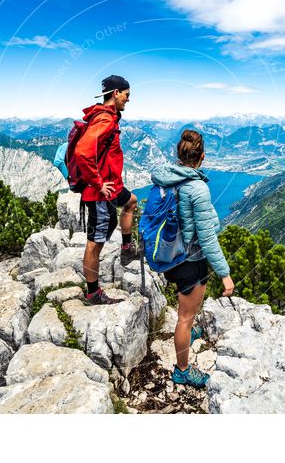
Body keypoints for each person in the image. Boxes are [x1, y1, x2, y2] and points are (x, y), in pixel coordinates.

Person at [150, 129, 234, 388]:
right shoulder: (196, 188)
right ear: (203, 156)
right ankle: (182, 370)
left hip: (172, 255)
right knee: (184, 319)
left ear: (180, 155)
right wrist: (225, 274)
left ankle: (189, 333)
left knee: (188, 312)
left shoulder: (167, 178)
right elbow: (207, 239)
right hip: (190, 259)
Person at [75, 74, 140, 305]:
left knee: (131, 201)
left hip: (112, 189)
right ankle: (93, 293)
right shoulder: (104, 120)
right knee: (95, 243)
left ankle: (126, 248)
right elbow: (82, 152)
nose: (128, 100)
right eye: (126, 95)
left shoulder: (107, 117)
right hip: (100, 193)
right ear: (116, 93)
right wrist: (98, 183)